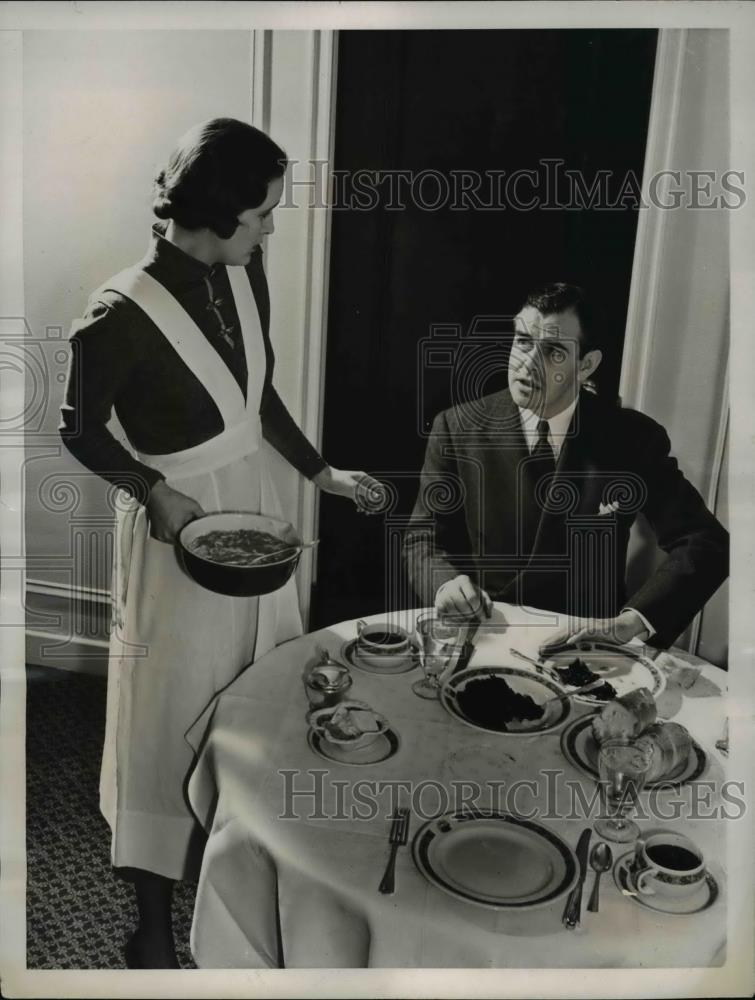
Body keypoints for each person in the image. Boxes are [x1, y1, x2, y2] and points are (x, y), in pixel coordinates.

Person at [59, 118, 380, 968]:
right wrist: (151, 489)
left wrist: (320, 474)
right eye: (263, 215)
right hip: (179, 532)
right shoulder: (116, 316)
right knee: (165, 721)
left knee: (263, 690)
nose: (272, 230)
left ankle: (237, 880)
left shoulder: (243, 269)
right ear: (217, 212)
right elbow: (77, 431)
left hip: (258, 513)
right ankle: (152, 927)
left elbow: (259, 395)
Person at [403, 282, 729, 653]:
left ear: (586, 365)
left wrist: (632, 621)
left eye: (554, 351)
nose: (527, 365)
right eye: (523, 340)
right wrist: (445, 584)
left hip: (589, 648)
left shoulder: (634, 439)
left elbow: (705, 541)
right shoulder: (456, 426)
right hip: (490, 635)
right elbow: (422, 539)